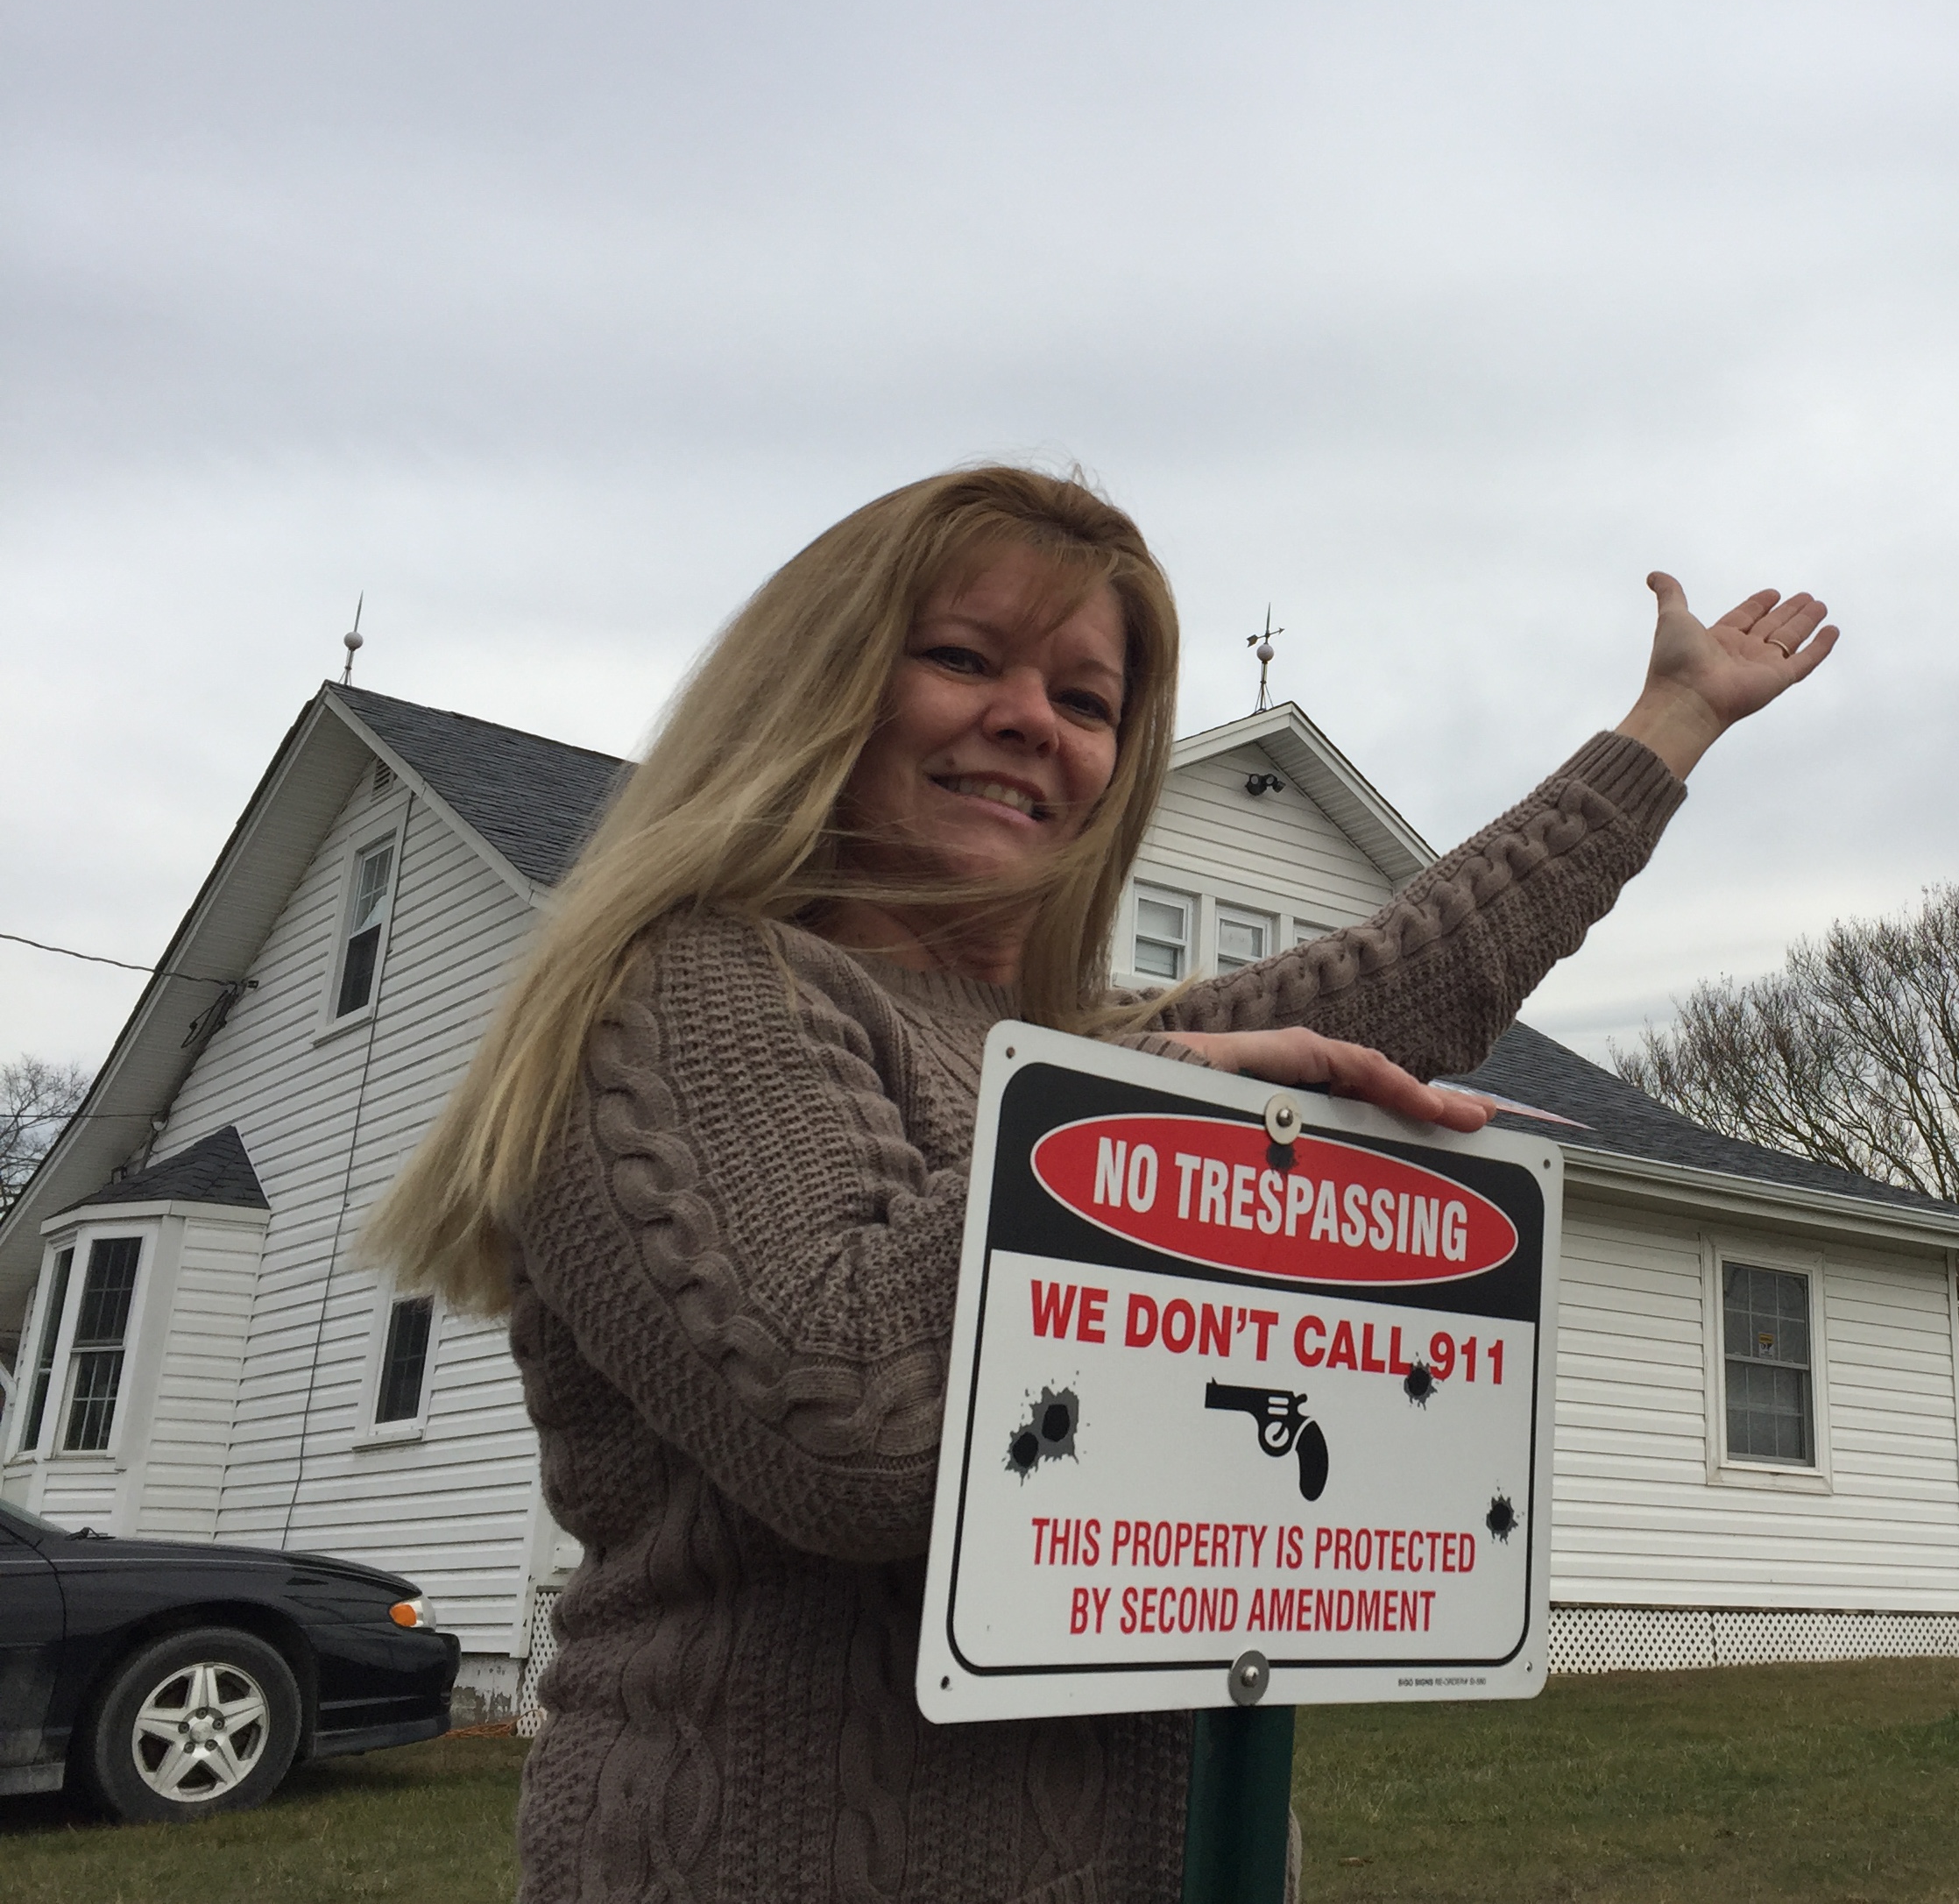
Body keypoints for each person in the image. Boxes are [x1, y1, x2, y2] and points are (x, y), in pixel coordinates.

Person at [367, 464, 1835, 1904]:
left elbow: (1401, 982)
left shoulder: (1072, 1056)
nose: (1030, 722)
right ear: (820, 687)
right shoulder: (690, 989)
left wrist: (1674, 719)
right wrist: (1189, 1113)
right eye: (961, 658)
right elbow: (854, 1426)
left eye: (1085, 700)